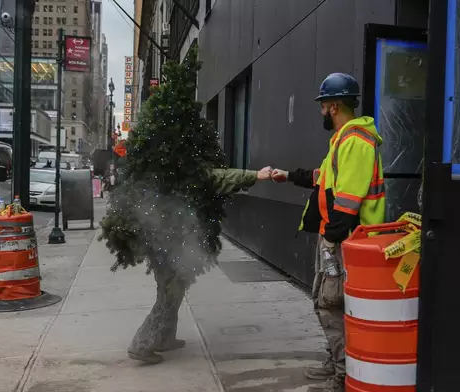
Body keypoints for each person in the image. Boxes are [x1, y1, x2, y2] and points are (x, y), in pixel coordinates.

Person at [270, 73, 386, 392]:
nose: (321, 112)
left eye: (323, 106)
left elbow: (348, 202)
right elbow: (326, 177)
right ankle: (337, 364)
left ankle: (343, 374)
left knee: (331, 304)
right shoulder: (344, 140)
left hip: (348, 241)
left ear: (333, 106)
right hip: (340, 238)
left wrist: (331, 240)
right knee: (328, 302)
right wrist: (289, 176)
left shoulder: (355, 142)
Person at [127, 166, 272, 364]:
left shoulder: (158, 166)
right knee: (170, 293)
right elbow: (217, 177)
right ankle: (141, 345)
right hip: (172, 239)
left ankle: (165, 338)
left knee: (169, 289)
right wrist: (256, 175)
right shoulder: (185, 167)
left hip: (158, 238)